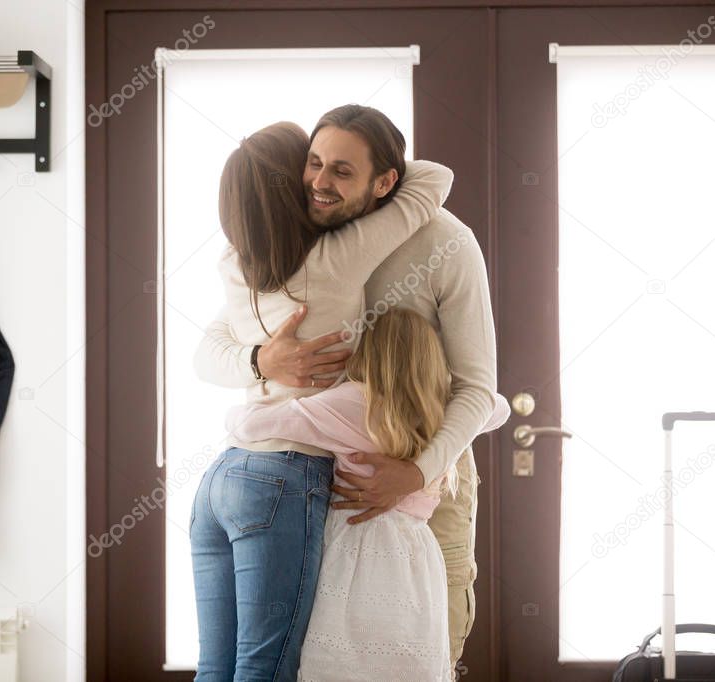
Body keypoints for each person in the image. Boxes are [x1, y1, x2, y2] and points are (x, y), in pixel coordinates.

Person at [195, 105, 498, 671]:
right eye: (313, 164)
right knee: (321, 657)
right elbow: (211, 349)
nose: (318, 183)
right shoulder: (301, 238)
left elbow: (478, 389)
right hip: (318, 482)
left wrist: (417, 470)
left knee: (425, 653)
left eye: (340, 171)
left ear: (385, 182)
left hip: (423, 481)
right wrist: (264, 360)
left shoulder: (445, 242)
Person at [225, 307, 509, 681]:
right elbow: (498, 408)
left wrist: (260, 385)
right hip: (417, 557)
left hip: (352, 547)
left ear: (366, 351)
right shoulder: (447, 413)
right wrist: (443, 383)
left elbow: (248, 424)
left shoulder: (354, 402)